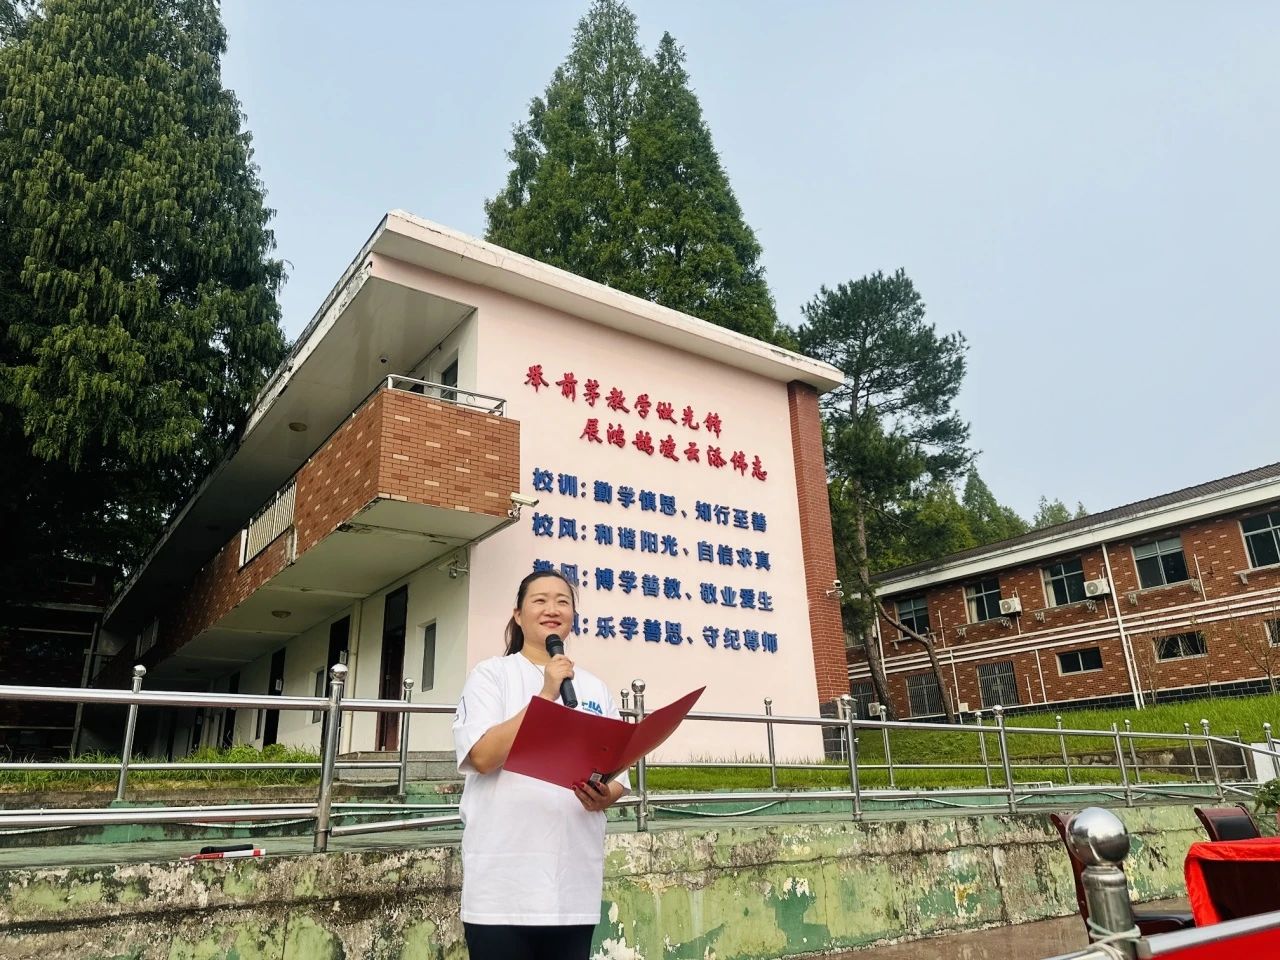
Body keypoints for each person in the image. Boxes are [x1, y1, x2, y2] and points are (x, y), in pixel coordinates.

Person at [452, 569, 629, 959]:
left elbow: (618, 776)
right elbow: (481, 757)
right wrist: (546, 696)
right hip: (502, 892)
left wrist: (605, 795)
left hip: (573, 888)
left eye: (563, 601)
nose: (553, 609)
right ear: (518, 615)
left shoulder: (595, 687)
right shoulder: (491, 675)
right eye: (540, 600)